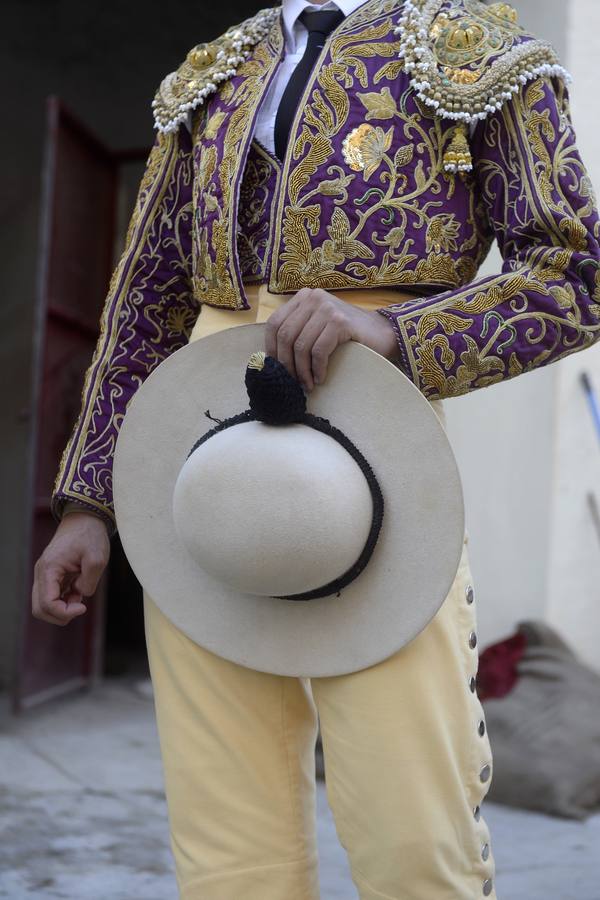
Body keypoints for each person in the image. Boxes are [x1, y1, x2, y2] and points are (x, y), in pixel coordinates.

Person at [32, 0, 600, 897]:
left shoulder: (480, 51)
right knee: (226, 844)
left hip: (376, 452)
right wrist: (90, 502)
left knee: (416, 833)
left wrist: (397, 334)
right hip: (201, 461)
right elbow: (144, 307)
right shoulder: (210, 74)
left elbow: (576, 276)